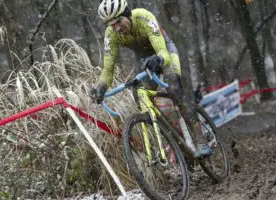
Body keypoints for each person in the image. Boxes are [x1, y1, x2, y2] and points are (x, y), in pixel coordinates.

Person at [90, 0, 212, 157]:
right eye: (112, 25)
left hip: (164, 52)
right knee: (141, 99)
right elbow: (108, 69)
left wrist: (159, 59)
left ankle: (200, 140)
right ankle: (173, 140)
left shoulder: (143, 17)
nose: (117, 28)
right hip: (142, 60)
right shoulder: (111, 34)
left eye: (119, 21)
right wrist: (101, 87)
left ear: (127, 14)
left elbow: (163, 52)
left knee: (174, 90)